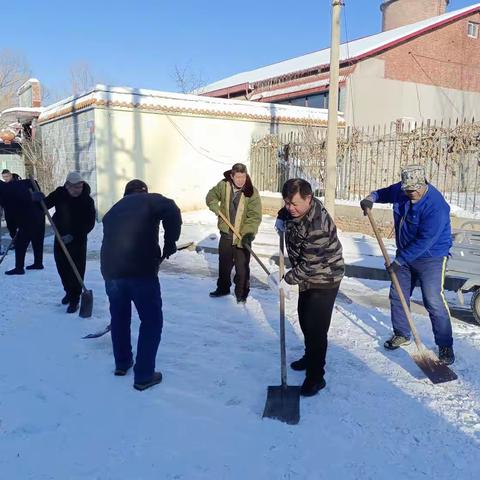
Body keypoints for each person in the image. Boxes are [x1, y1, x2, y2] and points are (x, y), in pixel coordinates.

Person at [360, 164, 455, 365]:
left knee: (433, 300)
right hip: (405, 253)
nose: (409, 193)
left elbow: (425, 240)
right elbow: (384, 192)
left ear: (422, 184)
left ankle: (445, 345)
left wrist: (399, 261)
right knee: (398, 295)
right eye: (406, 189)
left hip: (432, 257)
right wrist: (371, 198)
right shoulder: (404, 189)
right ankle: (402, 333)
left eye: (413, 190)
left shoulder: (436, 206)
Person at [100, 179, 182, 391]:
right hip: (140, 272)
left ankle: (122, 362)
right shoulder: (149, 200)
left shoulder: (112, 211)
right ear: (143, 192)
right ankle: (144, 375)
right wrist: (170, 241)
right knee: (151, 321)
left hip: (111, 273)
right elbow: (172, 209)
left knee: (119, 318)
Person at [276, 178, 344, 397]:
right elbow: (287, 211)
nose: (290, 208)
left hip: (325, 277)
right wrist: (281, 217)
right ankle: (309, 356)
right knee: (305, 319)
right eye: (287, 203)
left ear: (309, 198)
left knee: (316, 328)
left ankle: (316, 377)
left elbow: (311, 265)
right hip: (307, 276)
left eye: (294, 204)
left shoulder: (318, 226)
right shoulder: (295, 209)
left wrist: (287, 279)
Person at [34, 172, 96, 313]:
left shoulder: (87, 200)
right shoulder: (60, 193)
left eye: (80, 186)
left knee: (77, 269)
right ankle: (68, 291)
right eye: (74, 187)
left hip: (78, 239)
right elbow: (44, 206)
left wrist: (73, 235)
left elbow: (90, 223)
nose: (77, 190)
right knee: (62, 267)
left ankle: (75, 299)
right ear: (67, 185)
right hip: (60, 236)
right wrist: (38, 200)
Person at [205, 163, 262, 303]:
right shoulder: (224, 185)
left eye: (243, 176)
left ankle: (241, 293)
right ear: (232, 176)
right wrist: (212, 203)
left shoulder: (251, 192)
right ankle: (223, 288)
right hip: (226, 233)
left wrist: (247, 235)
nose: (241, 180)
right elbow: (211, 194)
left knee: (242, 268)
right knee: (224, 265)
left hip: (242, 236)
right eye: (238, 177)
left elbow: (254, 217)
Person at [0, 178, 45, 275]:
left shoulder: (4, 194)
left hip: (27, 216)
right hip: (39, 211)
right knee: (37, 238)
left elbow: (9, 216)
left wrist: (13, 233)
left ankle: (19, 268)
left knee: (20, 242)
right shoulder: (15, 184)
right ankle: (38, 263)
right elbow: (32, 182)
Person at [1, 169, 22, 247]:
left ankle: (20, 242)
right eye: (3, 177)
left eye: (6, 177)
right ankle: (15, 242)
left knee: (20, 226)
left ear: (10, 175)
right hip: (8, 209)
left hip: (18, 209)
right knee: (11, 227)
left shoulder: (17, 181)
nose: (5, 179)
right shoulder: (4, 185)